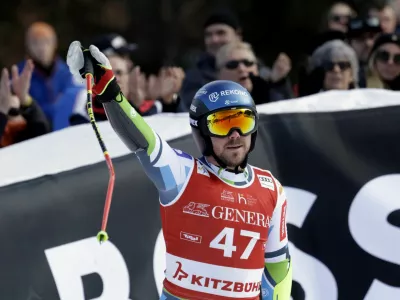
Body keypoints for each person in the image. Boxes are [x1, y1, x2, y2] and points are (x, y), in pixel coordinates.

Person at [67, 41, 292, 300]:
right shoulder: (182, 173)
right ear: (202, 133)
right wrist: (108, 89)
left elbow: (278, 267)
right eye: (221, 125)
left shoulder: (270, 188)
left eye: (243, 121)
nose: (235, 135)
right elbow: (143, 140)